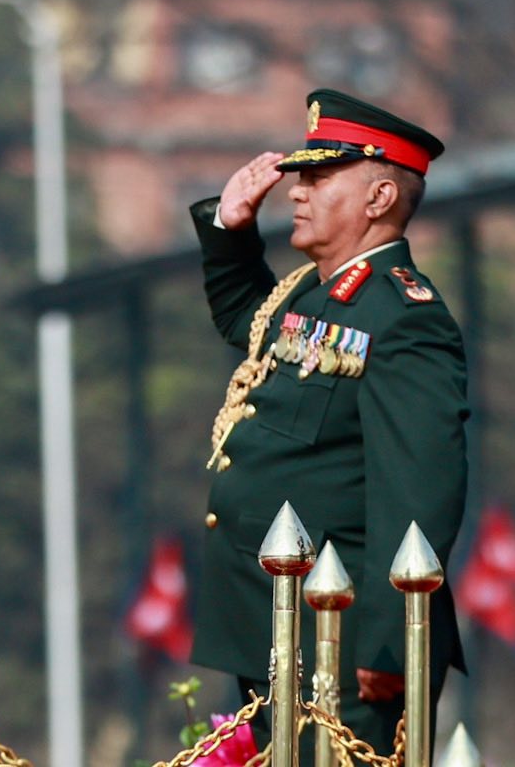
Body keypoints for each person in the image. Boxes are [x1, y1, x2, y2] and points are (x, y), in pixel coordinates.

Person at [189, 89, 469, 761]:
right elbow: (248, 327)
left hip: (340, 637)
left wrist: (390, 639)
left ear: (377, 199)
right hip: (276, 615)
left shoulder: (404, 316)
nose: (297, 192)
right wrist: (231, 230)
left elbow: (419, 491)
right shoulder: (312, 292)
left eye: (319, 178)